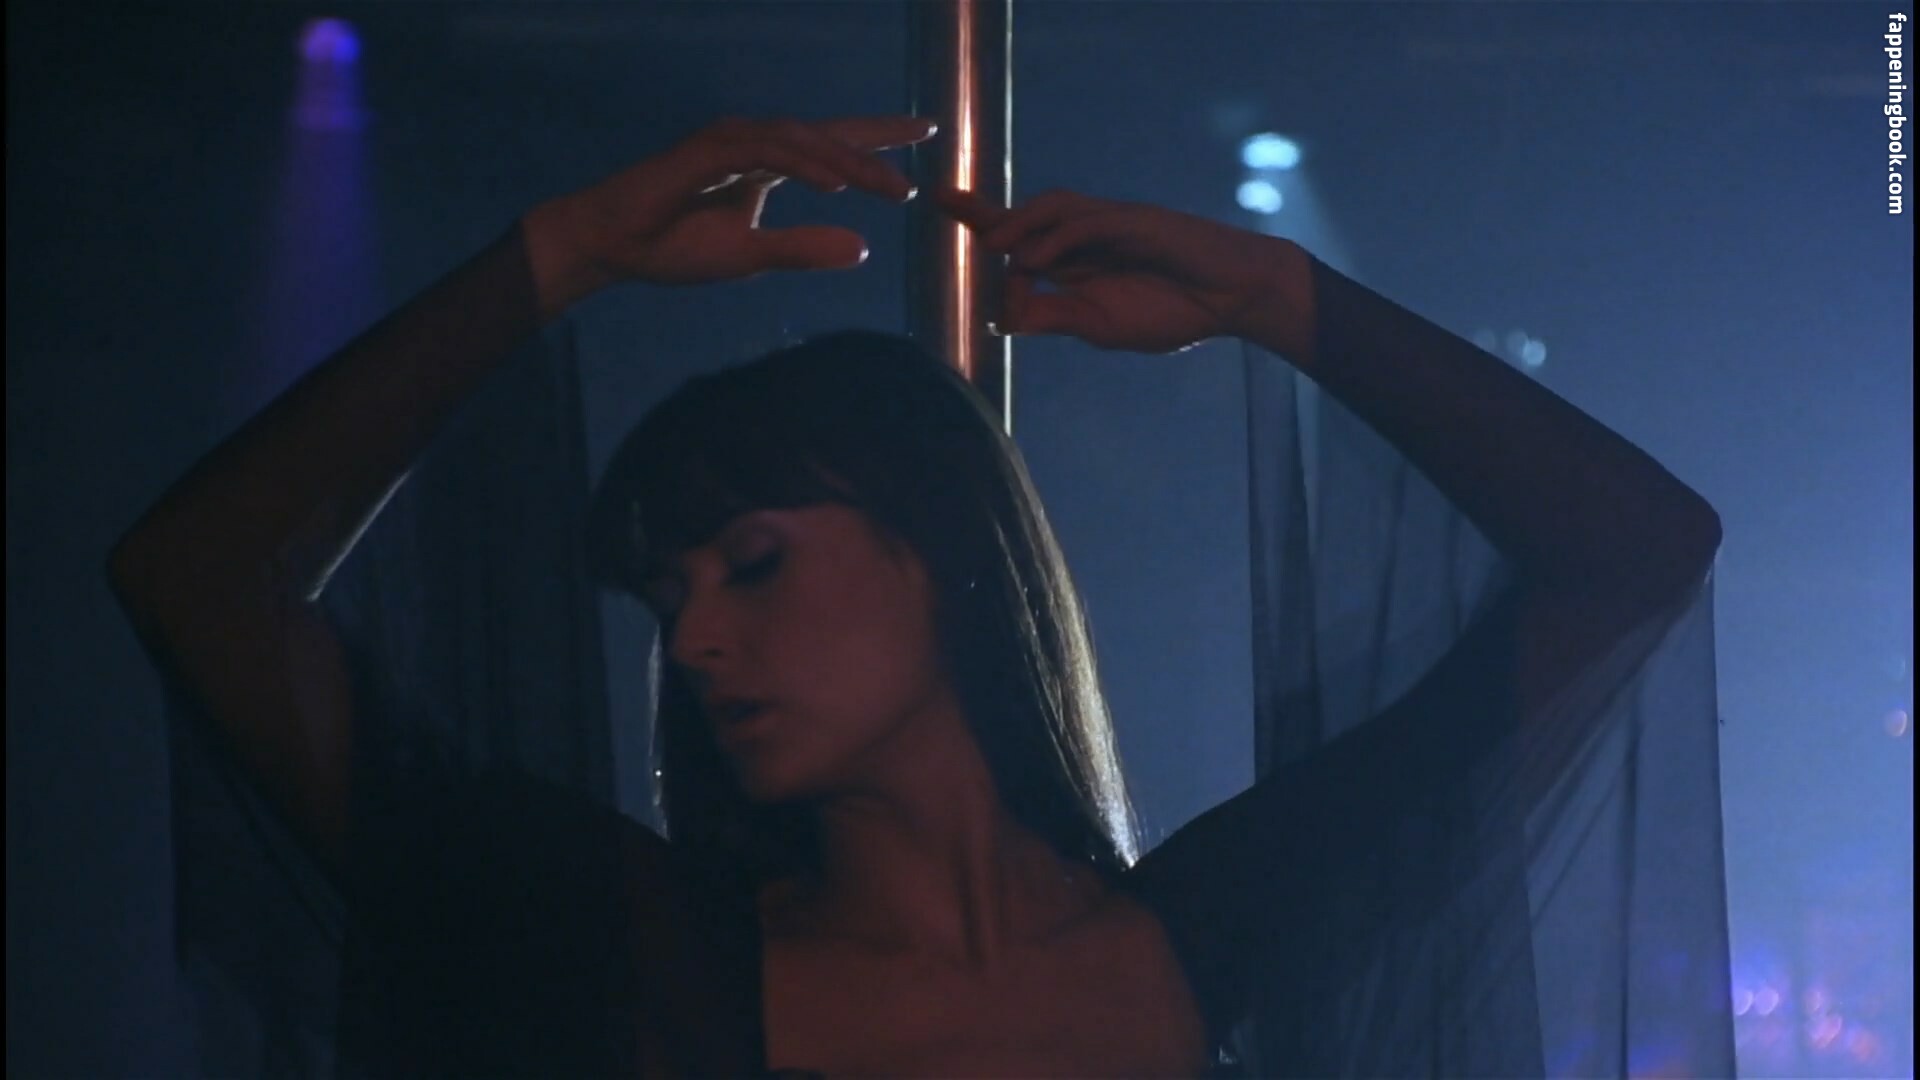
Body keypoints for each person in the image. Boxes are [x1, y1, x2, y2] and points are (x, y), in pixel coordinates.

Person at [107, 114, 1722, 1077]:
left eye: (754, 562)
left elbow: (1638, 553)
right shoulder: (632, 954)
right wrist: (565, 254)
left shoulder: (1226, 927)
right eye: (667, 597)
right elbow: (197, 581)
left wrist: (1276, 296)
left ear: (939, 547)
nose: (699, 638)